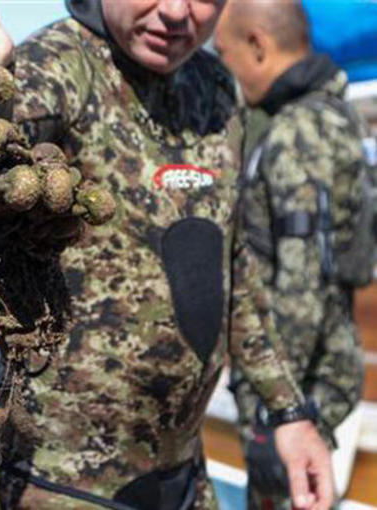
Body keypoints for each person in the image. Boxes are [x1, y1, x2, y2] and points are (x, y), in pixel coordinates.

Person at [0, 0, 335, 508]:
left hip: (183, 476)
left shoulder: (218, 90)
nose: (175, 12)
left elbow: (234, 266)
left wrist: (289, 413)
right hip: (57, 484)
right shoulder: (58, 66)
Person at [214, 1, 366, 508]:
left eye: (224, 53)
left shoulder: (298, 131)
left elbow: (303, 281)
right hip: (314, 375)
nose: (225, 68)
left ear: (257, 46)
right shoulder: (333, 115)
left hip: (298, 385)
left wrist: (278, 410)